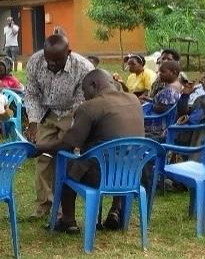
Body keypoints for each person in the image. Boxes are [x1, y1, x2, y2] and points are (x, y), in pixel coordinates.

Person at [35, 69, 145, 234]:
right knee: (120, 154)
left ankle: (68, 221)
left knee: (64, 162)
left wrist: (39, 148)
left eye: (84, 91)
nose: (84, 96)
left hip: (101, 176)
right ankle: (116, 209)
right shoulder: (134, 100)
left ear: (94, 85)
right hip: (131, 173)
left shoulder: (90, 107)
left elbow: (67, 145)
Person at [23, 33, 94, 219]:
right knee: (43, 156)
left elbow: (81, 104)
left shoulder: (84, 68)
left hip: (71, 112)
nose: (52, 64)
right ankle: (44, 204)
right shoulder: (35, 62)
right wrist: (33, 121)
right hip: (46, 112)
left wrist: (71, 135)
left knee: (66, 157)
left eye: (57, 60)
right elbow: (31, 94)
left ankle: (63, 208)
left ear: (68, 53)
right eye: (48, 59)